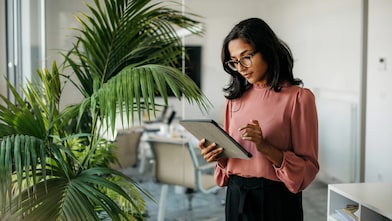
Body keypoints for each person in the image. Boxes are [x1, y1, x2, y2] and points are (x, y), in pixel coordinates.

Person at [198, 17, 319, 221]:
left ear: (267, 50)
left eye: (246, 57)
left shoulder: (299, 98)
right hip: (236, 195)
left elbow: (308, 169)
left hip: (276, 201)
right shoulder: (234, 101)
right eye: (234, 61)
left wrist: (266, 147)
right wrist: (219, 157)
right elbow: (231, 163)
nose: (241, 67)